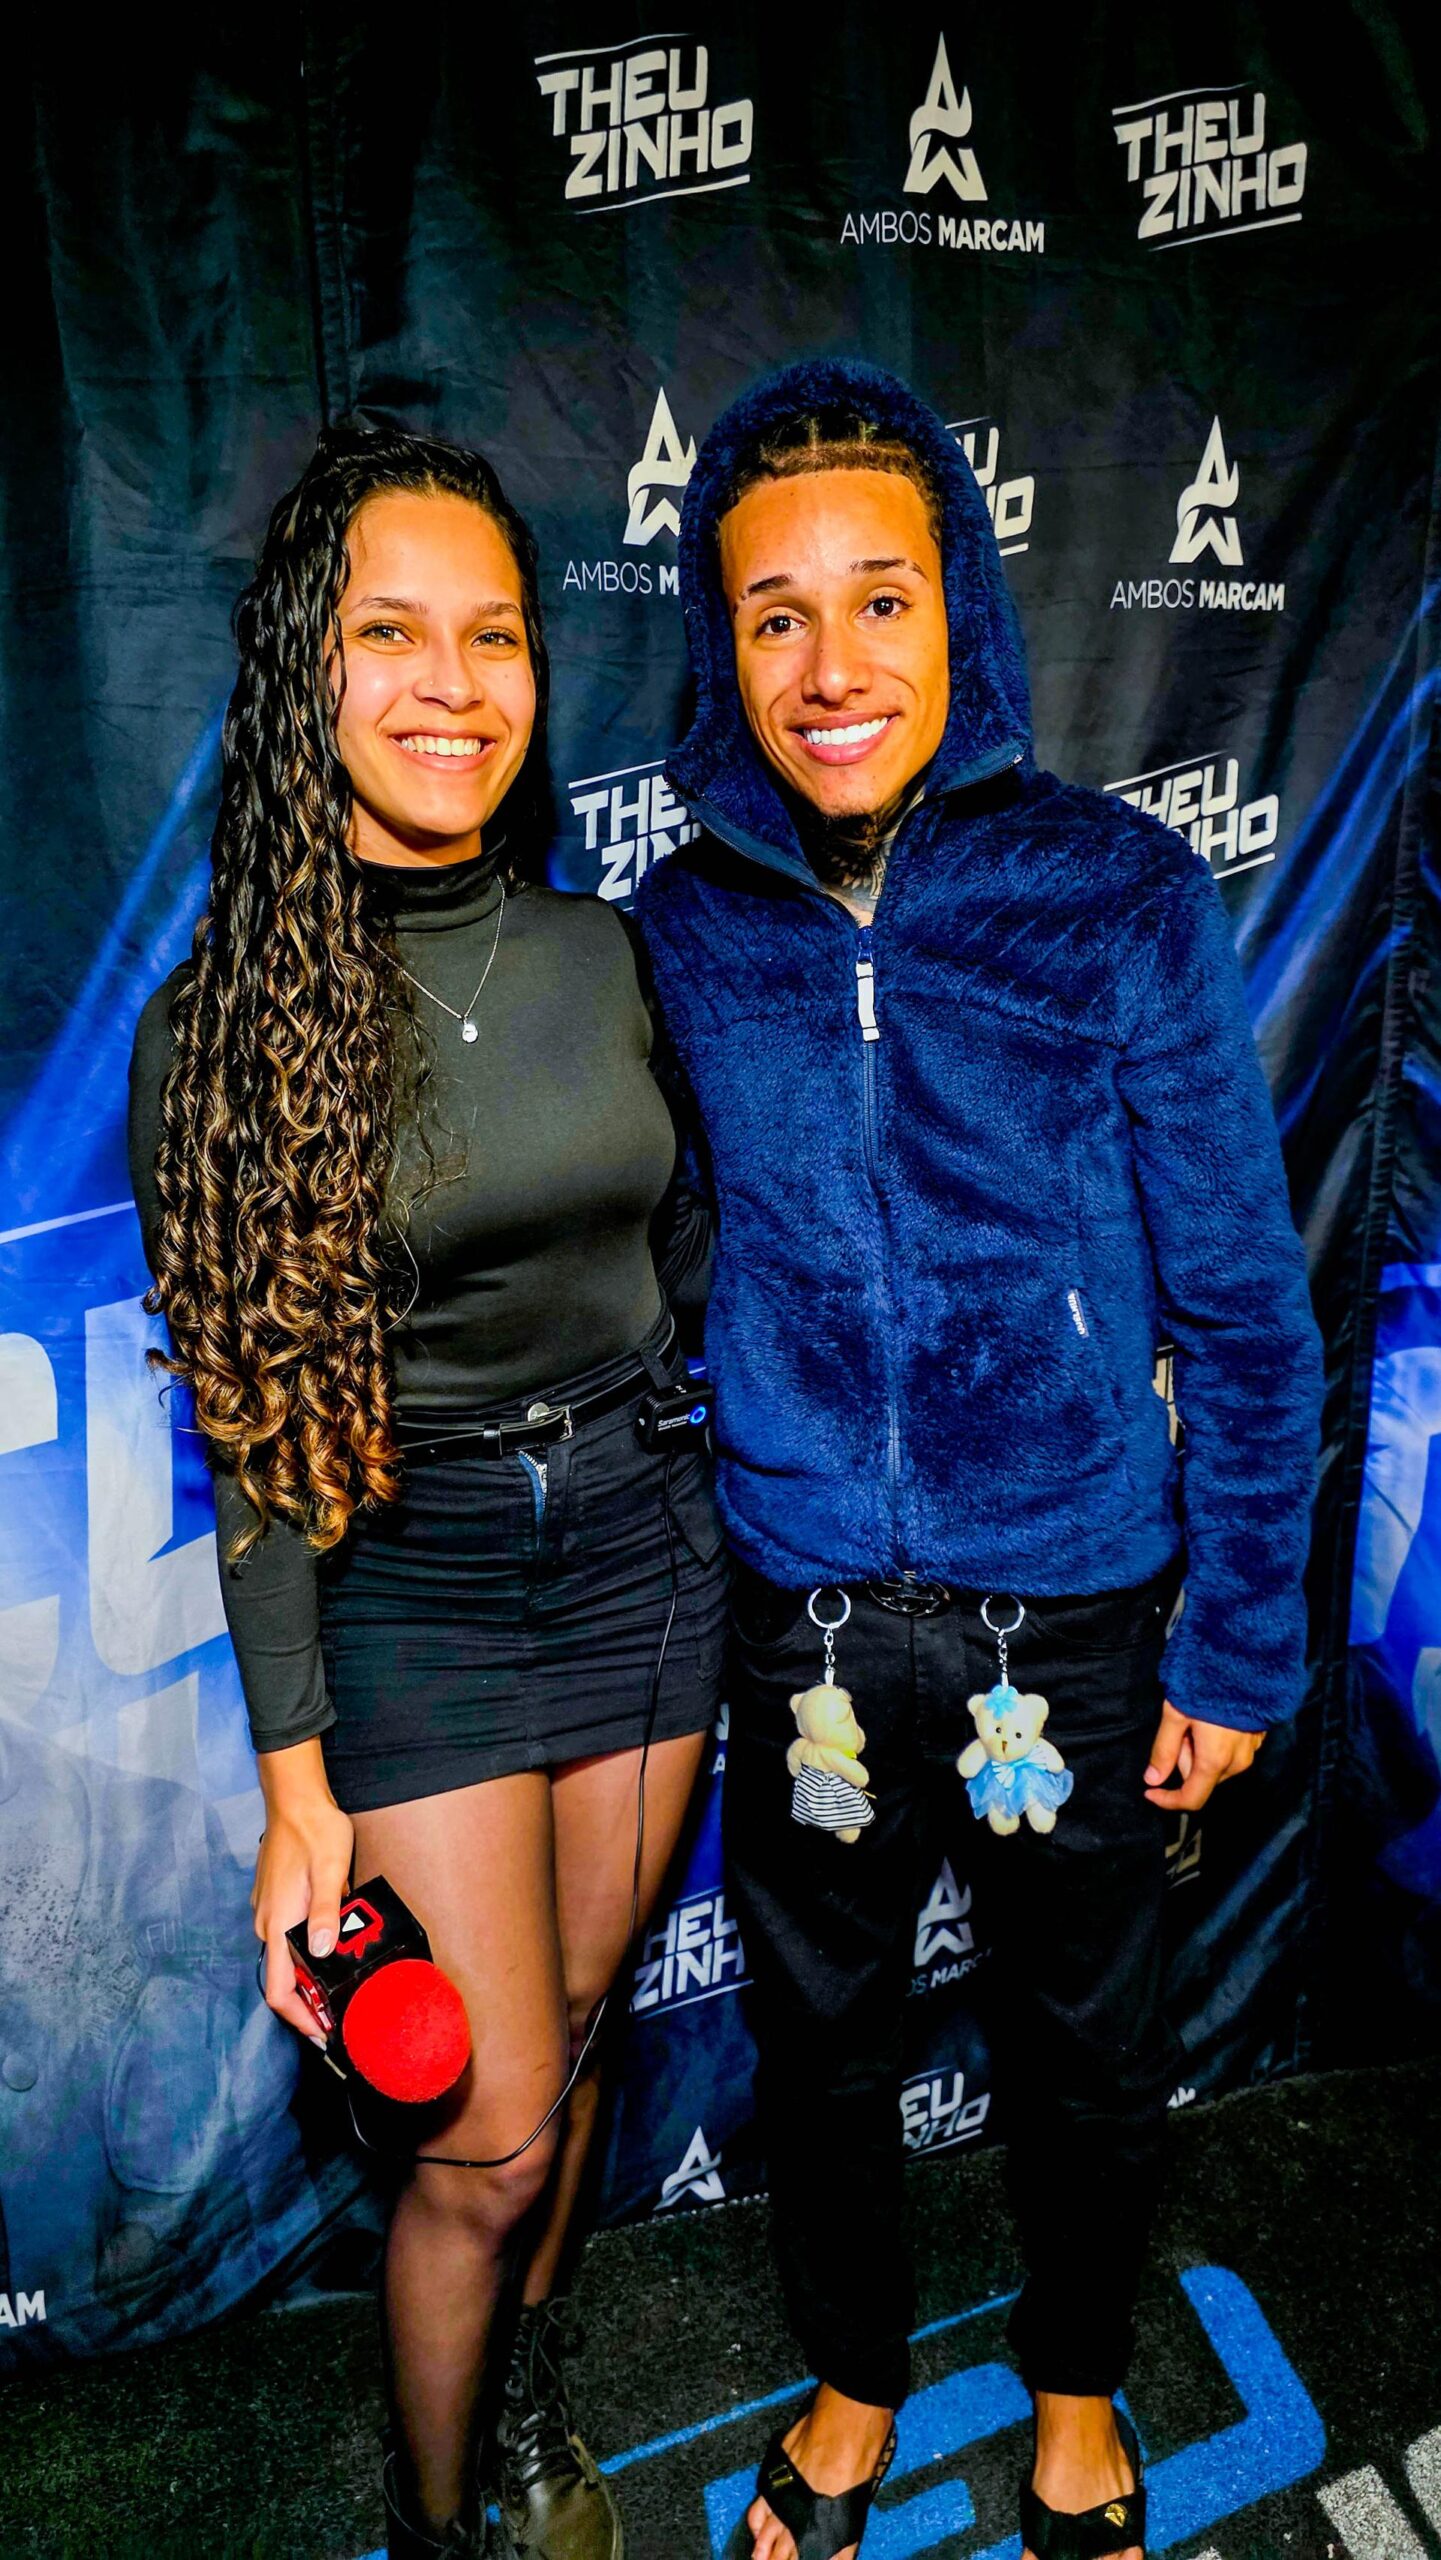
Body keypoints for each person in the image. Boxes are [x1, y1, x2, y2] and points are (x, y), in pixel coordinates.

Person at [634, 359, 1325, 2560]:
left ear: (962, 615)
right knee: (819, 2049)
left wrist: (1234, 1642)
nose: (831, 666)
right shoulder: (681, 929)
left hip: (1079, 1613)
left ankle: (1077, 2393)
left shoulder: (1116, 895)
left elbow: (1243, 1306)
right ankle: (853, 2381)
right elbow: (657, 1259)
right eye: (775, 615)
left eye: (881, 600)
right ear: (721, 645)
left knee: (1086, 2053)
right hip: (814, 1626)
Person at [128, 423, 726, 2560]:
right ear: (308, 668)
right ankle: (442, 2512)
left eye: (493, 637)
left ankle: (528, 2401)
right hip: (419, 1583)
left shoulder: (603, 954)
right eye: (392, 633)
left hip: (647, 1553)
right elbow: (257, 1439)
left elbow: (683, 1258)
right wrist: (299, 1787)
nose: (453, 686)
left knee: (567, 2034)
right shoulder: (220, 1030)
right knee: (481, 2140)